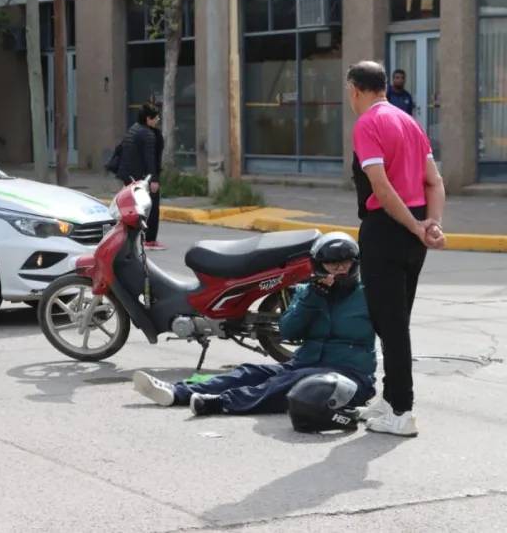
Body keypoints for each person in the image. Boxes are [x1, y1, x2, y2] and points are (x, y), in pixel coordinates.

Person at [131, 232, 377, 417]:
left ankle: (220, 402)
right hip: (304, 363)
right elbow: (288, 330)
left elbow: (396, 339)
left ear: (355, 264)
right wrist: (314, 298)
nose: (339, 270)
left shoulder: (371, 297)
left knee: (287, 381)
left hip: (349, 376)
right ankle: (177, 391)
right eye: (332, 265)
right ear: (318, 267)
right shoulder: (307, 293)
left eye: (345, 264)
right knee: (249, 372)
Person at [347, 60, 445, 438]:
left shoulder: (367, 124)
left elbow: (381, 188)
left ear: (355, 89)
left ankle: (402, 411)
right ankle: (390, 401)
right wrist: (430, 224)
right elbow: (434, 182)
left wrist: (414, 224)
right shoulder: (410, 123)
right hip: (413, 230)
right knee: (395, 321)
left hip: (388, 228)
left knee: (389, 323)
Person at [116, 104, 163, 250]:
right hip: (141, 177)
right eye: (155, 117)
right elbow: (149, 159)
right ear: (148, 119)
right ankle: (149, 239)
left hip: (129, 175)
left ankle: (131, 238)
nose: (158, 119)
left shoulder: (134, 129)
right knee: (151, 206)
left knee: (133, 208)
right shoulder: (148, 134)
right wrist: (153, 180)